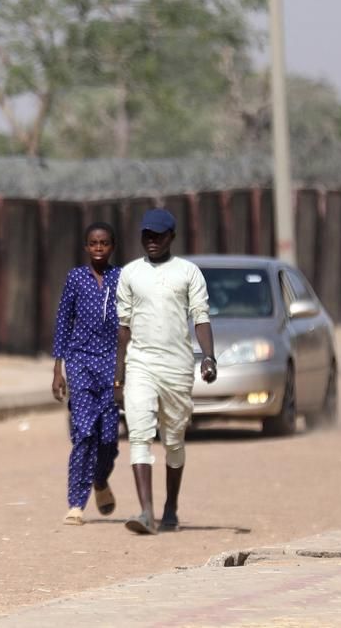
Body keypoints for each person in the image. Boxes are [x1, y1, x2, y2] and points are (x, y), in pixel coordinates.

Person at [113, 207, 217, 535]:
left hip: (177, 366)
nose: (152, 241)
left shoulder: (188, 272)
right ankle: (146, 512)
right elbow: (124, 327)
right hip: (140, 363)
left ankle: (171, 506)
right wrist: (119, 373)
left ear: (172, 236)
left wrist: (209, 357)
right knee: (140, 434)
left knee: (173, 440)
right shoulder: (130, 273)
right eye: (147, 235)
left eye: (158, 235)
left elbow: (200, 317)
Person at [52, 222, 122, 526]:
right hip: (79, 361)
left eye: (104, 243)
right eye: (93, 243)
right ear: (86, 247)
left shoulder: (121, 279)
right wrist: (58, 369)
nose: (98, 248)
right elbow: (63, 321)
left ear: (112, 246)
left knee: (108, 439)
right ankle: (75, 503)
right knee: (83, 432)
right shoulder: (75, 279)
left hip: (111, 363)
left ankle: (100, 480)